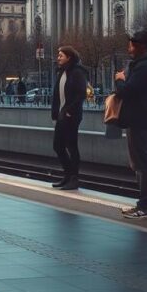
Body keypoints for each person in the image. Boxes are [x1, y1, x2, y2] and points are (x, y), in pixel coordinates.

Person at [114, 28, 147, 218]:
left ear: (140, 46)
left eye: (132, 44)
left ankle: (146, 206)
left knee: (142, 164)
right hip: (144, 119)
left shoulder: (145, 67)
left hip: (140, 119)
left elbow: (126, 91)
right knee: (146, 163)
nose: (129, 48)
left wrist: (120, 80)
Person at [50, 46, 88, 190]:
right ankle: (68, 175)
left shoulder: (77, 72)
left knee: (72, 146)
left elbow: (81, 94)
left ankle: (74, 178)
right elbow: (57, 96)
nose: (58, 57)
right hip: (61, 116)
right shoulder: (62, 72)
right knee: (58, 146)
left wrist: (70, 111)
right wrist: (55, 113)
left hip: (71, 116)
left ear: (69, 57)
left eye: (61, 55)